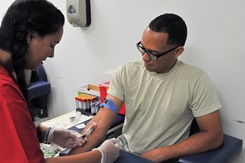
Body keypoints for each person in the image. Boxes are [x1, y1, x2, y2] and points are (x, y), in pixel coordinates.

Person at [70, 13, 224, 162]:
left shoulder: (196, 80)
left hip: (163, 158)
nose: (144, 57)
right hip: (123, 150)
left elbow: (213, 135)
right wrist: (72, 155)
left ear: (177, 52)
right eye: (142, 48)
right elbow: (103, 119)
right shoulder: (126, 72)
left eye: (153, 53)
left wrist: (161, 153)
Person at [0, 0, 119, 163]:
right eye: (52, 44)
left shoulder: (7, 74)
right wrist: (100, 155)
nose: (52, 55)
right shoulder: (5, 93)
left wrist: (46, 134)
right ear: (31, 36)